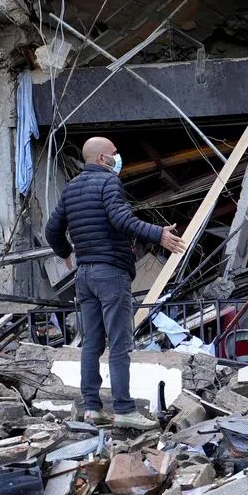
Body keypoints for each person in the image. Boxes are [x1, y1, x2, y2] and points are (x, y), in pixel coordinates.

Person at [45, 136, 186, 429]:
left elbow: (52, 229)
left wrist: (65, 253)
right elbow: (122, 220)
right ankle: (124, 409)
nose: (117, 158)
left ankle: (92, 409)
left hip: (84, 275)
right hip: (111, 273)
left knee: (91, 344)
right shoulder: (109, 184)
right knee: (120, 344)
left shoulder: (71, 188)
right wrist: (158, 234)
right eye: (114, 154)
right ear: (101, 159)